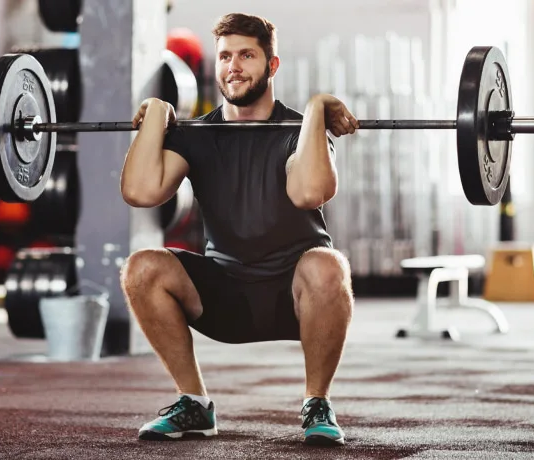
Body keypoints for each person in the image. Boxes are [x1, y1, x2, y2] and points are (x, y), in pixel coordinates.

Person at [119, 12, 359, 446]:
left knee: (328, 265)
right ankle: (193, 404)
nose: (234, 66)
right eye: (226, 56)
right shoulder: (197, 136)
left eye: (247, 55)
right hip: (226, 294)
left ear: (272, 65)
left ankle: (317, 403)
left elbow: (310, 192)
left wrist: (317, 108)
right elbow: (140, 191)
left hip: (297, 297)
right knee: (141, 268)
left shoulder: (297, 131)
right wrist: (156, 113)